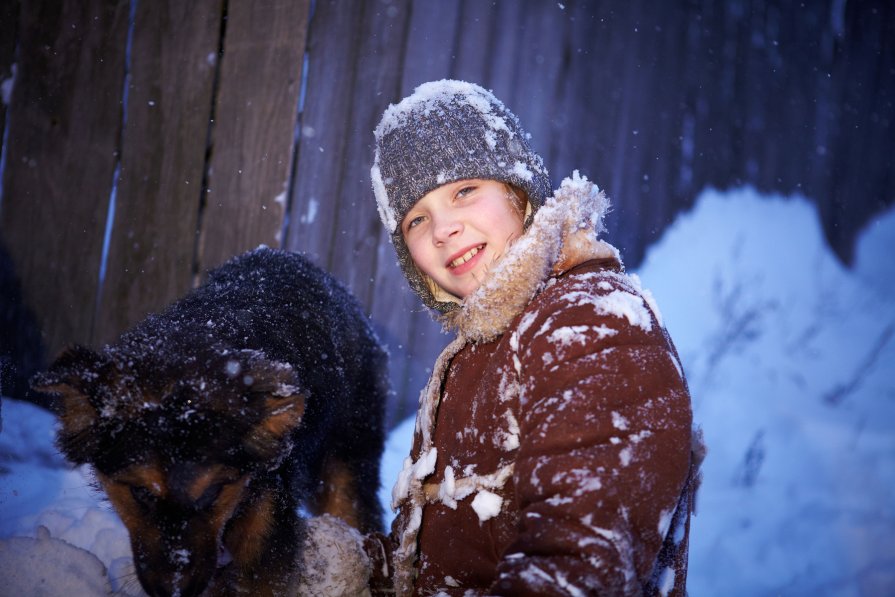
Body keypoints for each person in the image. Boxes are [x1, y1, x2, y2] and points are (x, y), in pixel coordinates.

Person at [367, 80, 703, 596]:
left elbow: (579, 561)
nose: (444, 229)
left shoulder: (589, 324)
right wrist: (333, 570)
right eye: (417, 219)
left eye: (463, 191)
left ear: (518, 193)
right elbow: (441, 558)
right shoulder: (472, 355)